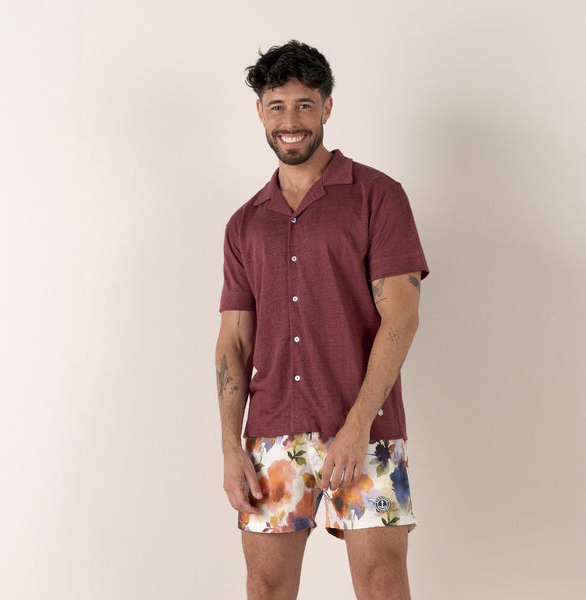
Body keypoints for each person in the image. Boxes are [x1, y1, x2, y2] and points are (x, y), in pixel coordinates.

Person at [215, 40, 429, 600]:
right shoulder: (245, 224)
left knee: (382, 582)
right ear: (260, 112)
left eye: (304, 105)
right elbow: (234, 341)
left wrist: (357, 426)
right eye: (277, 105)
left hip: (364, 428)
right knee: (265, 587)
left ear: (327, 107)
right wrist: (231, 446)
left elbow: (401, 317)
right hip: (270, 435)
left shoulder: (378, 197)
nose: (291, 121)